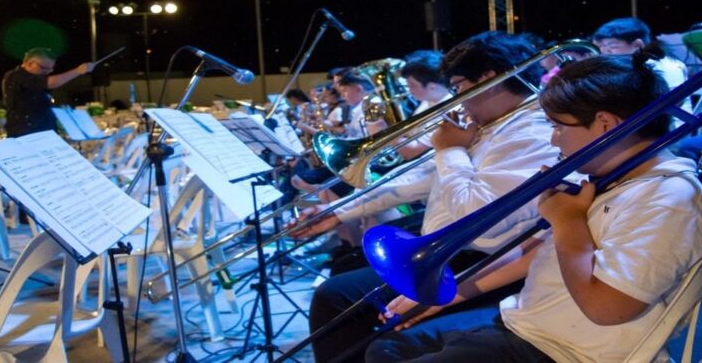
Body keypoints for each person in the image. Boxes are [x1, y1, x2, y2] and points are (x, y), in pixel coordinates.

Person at [366, 53, 702, 363]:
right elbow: (534, 253)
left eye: (558, 126)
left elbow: (607, 308)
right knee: (385, 348)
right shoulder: (611, 175)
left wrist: (568, 221)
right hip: (527, 321)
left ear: (605, 124)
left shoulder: (668, 198)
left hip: (564, 351)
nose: (553, 140)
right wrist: (445, 295)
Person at [306, 31, 560, 363]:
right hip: (447, 252)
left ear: (489, 80)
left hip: (485, 262)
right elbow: (419, 179)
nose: (455, 99)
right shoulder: (490, 123)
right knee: (338, 291)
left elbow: (477, 217)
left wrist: (450, 150)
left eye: (459, 86)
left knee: (341, 300)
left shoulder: (533, 132)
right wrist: (337, 212)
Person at [290, 49, 451, 242]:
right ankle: (352, 243)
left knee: (356, 190)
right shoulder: (426, 103)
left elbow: (411, 152)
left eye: (411, 85)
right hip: (409, 169)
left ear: (432, 85)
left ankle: (358, 244)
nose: (408, 90)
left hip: (423, 178)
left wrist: (380, 130)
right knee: (351, 190)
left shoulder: (447, 108)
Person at [2, 47, 95, 137]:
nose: (47, 72)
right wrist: (79, 71)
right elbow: (51, 83)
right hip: (26, 135)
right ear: (30, 63)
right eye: (44, 68)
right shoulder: (16, 77)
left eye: (50, 69)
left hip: (42, 133)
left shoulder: (32, 79)